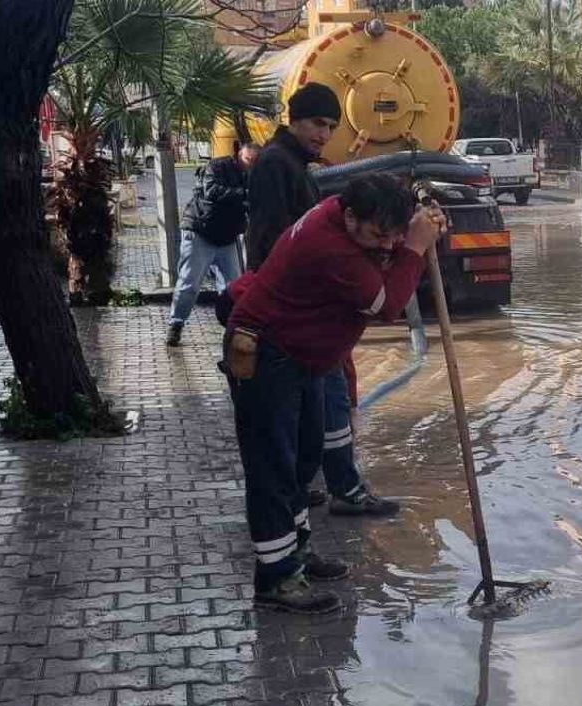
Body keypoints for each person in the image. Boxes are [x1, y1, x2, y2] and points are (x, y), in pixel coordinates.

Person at [224, 174, 446, 613]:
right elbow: (387, 305)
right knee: (273, 468)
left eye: (395, 236)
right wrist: (415, 248)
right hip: (266, 353)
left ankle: (296, 555)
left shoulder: (345, 218)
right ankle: (276, 578)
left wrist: (421, 233)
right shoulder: (328, 247)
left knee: (304, 460)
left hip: (301, 356)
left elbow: (392, 258)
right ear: (349, 218)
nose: (386, 246)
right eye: (378, 236)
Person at [244, 81, 401, 518]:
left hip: (302, 310)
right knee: (328, 402)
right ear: (293, 119)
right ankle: (338, 489)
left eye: (331, 126)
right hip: (295, 312)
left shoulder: (293, 163)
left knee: (324, 404)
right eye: (316, 123)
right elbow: (273, 239)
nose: (323, 134)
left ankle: (311, 485)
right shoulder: (277, 165)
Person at [165, 143, 260, 347]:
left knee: (234, 285)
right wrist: (244, 195)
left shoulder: (253, 176)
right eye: (248, 160)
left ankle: (234, 327)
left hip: (227, 236)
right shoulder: (217, 167)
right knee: (190, 284)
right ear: (239, 155)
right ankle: (176, 324)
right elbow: (212, 191)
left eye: (254, 162)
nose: (250, 166)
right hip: (201, 230)